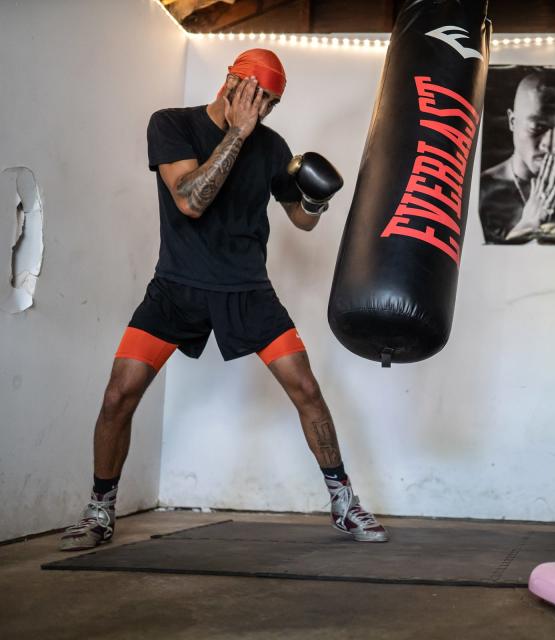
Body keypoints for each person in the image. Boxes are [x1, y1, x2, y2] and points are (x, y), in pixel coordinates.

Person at [60, 49, 388, 551]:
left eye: (273, 103)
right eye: (259, 97)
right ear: (231, 82)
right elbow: (191, 200)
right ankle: (100, 509)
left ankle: (344, 503)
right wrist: (237, 132)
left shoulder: (273, 146)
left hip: (247, 290)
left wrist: (316, 198)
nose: (265, 112)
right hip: (176, 287)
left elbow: (300, 220)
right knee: (117, 396)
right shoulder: (172, 125)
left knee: (306, 388)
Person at [479, 70, 555, 244]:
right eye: (537, 128)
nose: (551, 145)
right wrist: (528, 224)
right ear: (512, 122)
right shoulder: (483, 190)